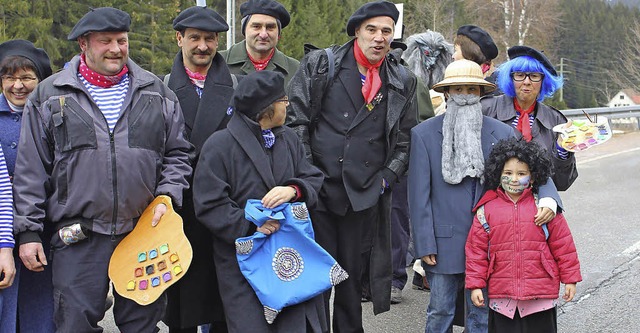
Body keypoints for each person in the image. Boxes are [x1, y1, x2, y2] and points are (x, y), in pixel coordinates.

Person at [12, 7, 192, 332]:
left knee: (143, 325)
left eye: (121, 40)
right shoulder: (50, 96)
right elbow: (30, 168)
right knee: (73, 325)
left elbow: (178, 153)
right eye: (105, 41)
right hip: (77, 235)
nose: (116, 49)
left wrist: (168, 195)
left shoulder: (156, 93)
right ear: (84, 44)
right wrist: (28, 231)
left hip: (143, 233)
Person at [286, 1, 418, 331]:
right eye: (371, 30)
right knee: (314, 279)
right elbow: (296, 121)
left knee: (350, 283)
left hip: (363, 197)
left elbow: (405, 138)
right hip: (318, 193)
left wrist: (387, 179)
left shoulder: (402, 78)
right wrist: (307, 175)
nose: (379, 38)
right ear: (357, 31)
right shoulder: (321, 64)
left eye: (386, 31)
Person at [408, 59, 561, 333]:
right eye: (458, 89)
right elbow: (418, 195)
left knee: (480, 314)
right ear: (447, 93)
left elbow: (534, 169)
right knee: (440, 310)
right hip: (442, 242)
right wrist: (423, 243)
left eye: (471, 89)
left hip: (492, 241)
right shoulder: (424, 134)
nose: (465, 96)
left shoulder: (502, 133)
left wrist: (550, 199)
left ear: (481, 93)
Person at [193, 70, 325, 332]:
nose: (287, 105)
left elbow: (312, 177)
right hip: (244, 263)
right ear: (266, 110)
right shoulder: (219, 145)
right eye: (283, 100)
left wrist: (293, 190)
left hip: (290, 256)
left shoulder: (288, 139)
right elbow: (209, 203)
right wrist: (252, 225)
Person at [163, 6, 234, 333]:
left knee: (225, 300)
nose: (203, 46)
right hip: (182, 207)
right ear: (179, 39)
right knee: (183, 301)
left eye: (209, 39)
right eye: (195, 38)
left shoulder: (237, 84)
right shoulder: (161, 88)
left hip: (226, 206)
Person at [466, 138, 582, 333]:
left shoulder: (544, 208)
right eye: (508, 173)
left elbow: (564, 245)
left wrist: (570, 279)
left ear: (533, 177)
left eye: (521, 174)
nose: (514, 179)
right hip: (502, 297)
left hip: (540, 296)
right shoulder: (486, 210)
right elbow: (475, 252)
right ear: (498, 174)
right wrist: (476, 285)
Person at [0, 39, 56, 333]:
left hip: (41, 228)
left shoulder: (53, 115)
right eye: (10, 77)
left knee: (40, 310)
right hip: (2, 230)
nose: (17, 85)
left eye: (26, 78)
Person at [481, 45, 578, 191]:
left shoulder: (556, 121)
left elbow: (562, 183)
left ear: (543, 81)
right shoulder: (485, 110)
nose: (526, 81)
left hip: (538, 208)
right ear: (510, 78)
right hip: (492, 206)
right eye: (519, 75)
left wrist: (562, 150)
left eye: (534, 76)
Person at [219, 0, 299, 86]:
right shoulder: (218, 63)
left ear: (279, 33)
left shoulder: (295, 70)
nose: (263, 34)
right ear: (244, 30)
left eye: (270, 27)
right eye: (256, 26)